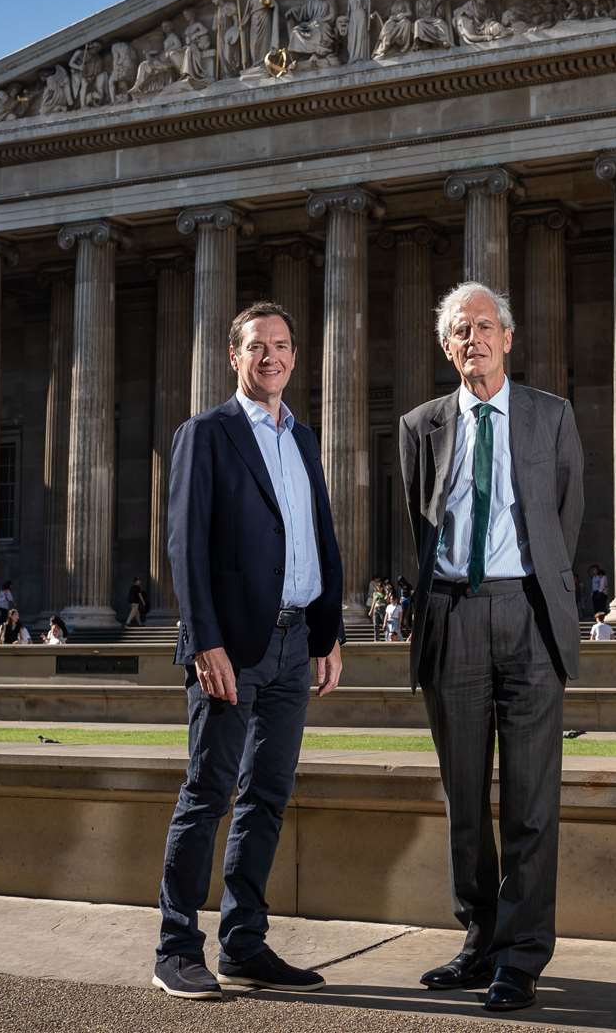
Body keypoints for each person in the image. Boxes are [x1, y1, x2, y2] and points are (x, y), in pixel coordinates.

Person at [398, 281, 584, 1013]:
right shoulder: (421, 426)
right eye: (457, 331)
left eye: (483, 327)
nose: (471, 339)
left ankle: (523, 954)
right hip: (453, 615)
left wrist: (532, 588)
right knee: (466, 801)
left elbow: (565, 519)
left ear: (508, 338)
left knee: (532, 800)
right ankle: (478, 939)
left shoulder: (551, 417)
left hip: (528, 613)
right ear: (446, 349)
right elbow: (420, 522)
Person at [154, 300, 344, 1001]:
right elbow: (185, 545)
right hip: (231, 645)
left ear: (296, 356)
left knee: (267, 794)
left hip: (298, 641)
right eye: (258, 346)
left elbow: (317, 540)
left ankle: (243, 942)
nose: (273, 357)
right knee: (207, 793)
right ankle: (176, 948)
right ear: (234, 356)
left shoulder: (304, 439)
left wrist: (331, 633)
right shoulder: (206, 434)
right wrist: (203, 640)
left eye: (284, 345)